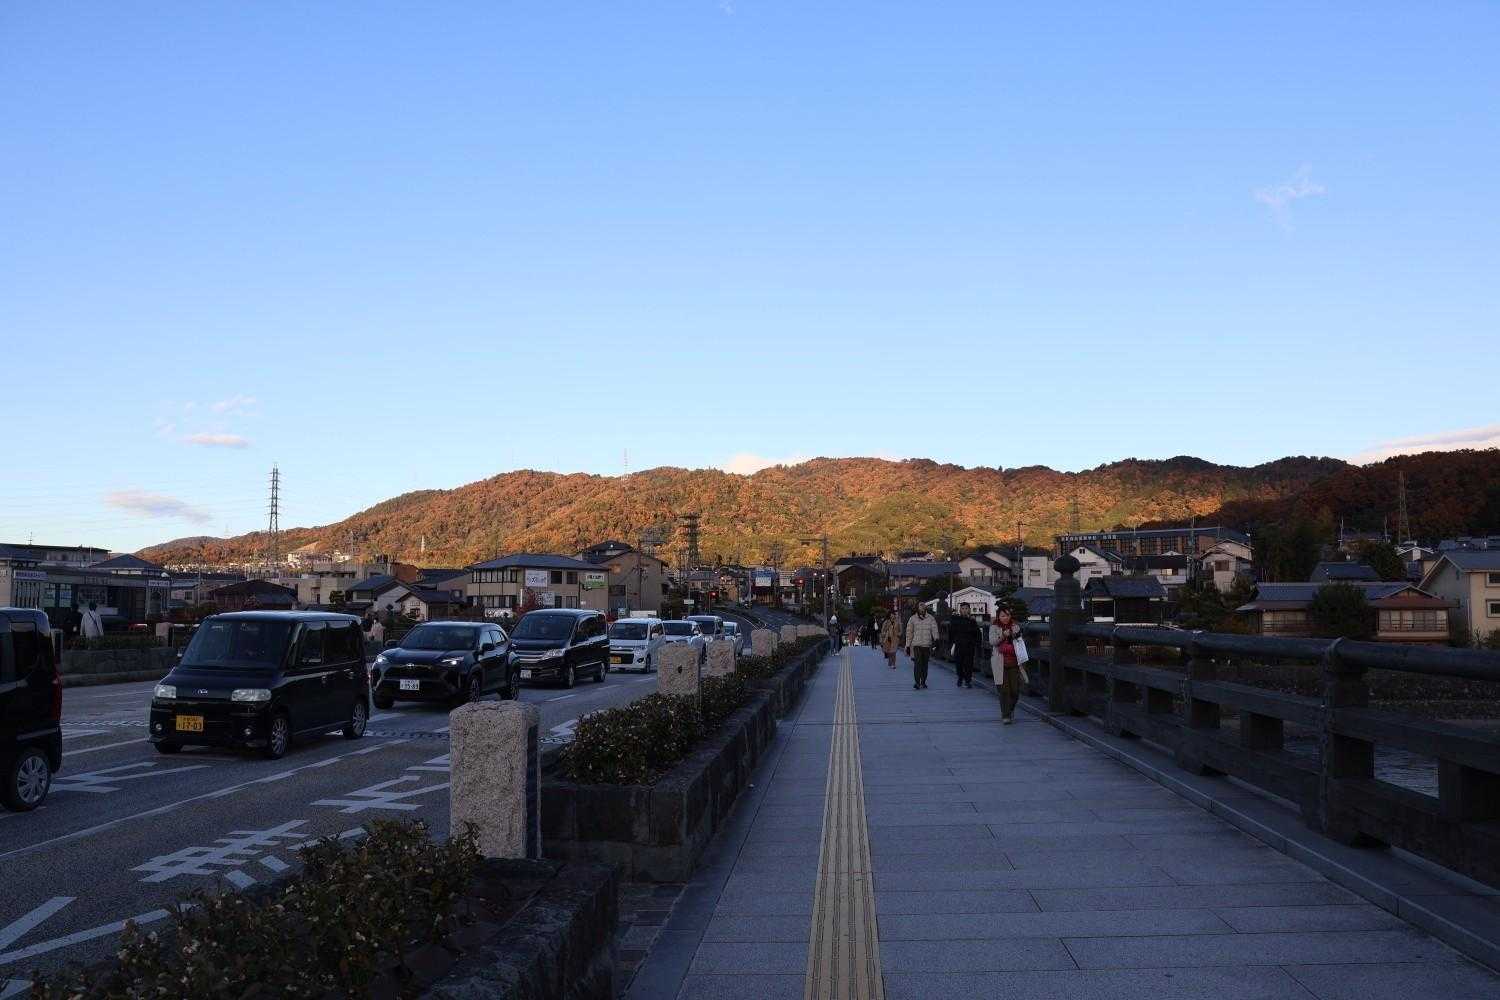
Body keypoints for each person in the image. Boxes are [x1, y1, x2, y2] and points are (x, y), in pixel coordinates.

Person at [990, 607, 1023, 724]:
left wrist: (1015, 634)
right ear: (998, 617)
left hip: (1014, 662)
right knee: (1004, 691)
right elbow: (992, 642)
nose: (1005, 618)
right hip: (1000, 662)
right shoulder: (994, 627)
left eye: (1008, 615)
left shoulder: (1015, 627)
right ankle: (1006, 715)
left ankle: (1010, 709)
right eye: (1003, 615)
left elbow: (1020, 643)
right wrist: (1003, 635)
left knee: (1015, 691)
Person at [904, 603, 940, 690]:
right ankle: (917, 682)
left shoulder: (930, 618)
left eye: (923, 607)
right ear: (917, 609)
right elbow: (909, 633)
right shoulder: (912, 619)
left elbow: (934, 629)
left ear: (925, 608)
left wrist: (936, 639)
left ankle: (923, 682)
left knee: (925, 664)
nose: (922, 609)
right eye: (920, 607)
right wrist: (908, 645)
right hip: (916, 644)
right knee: (917, 664)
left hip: (927, 645)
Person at [947, 611, 981, 688]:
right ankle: (960, 677)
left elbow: (977, 633)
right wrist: (951, 642)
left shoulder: (972, 621)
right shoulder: (956, 620)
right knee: (959, 664)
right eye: (963, 608)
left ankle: (968, 681)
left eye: (966, 608)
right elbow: (951, 631)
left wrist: (977, 643)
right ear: (960, 610)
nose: (965, 610)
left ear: (969, 610)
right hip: (959, 645)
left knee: (968, 664)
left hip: (969, 646)